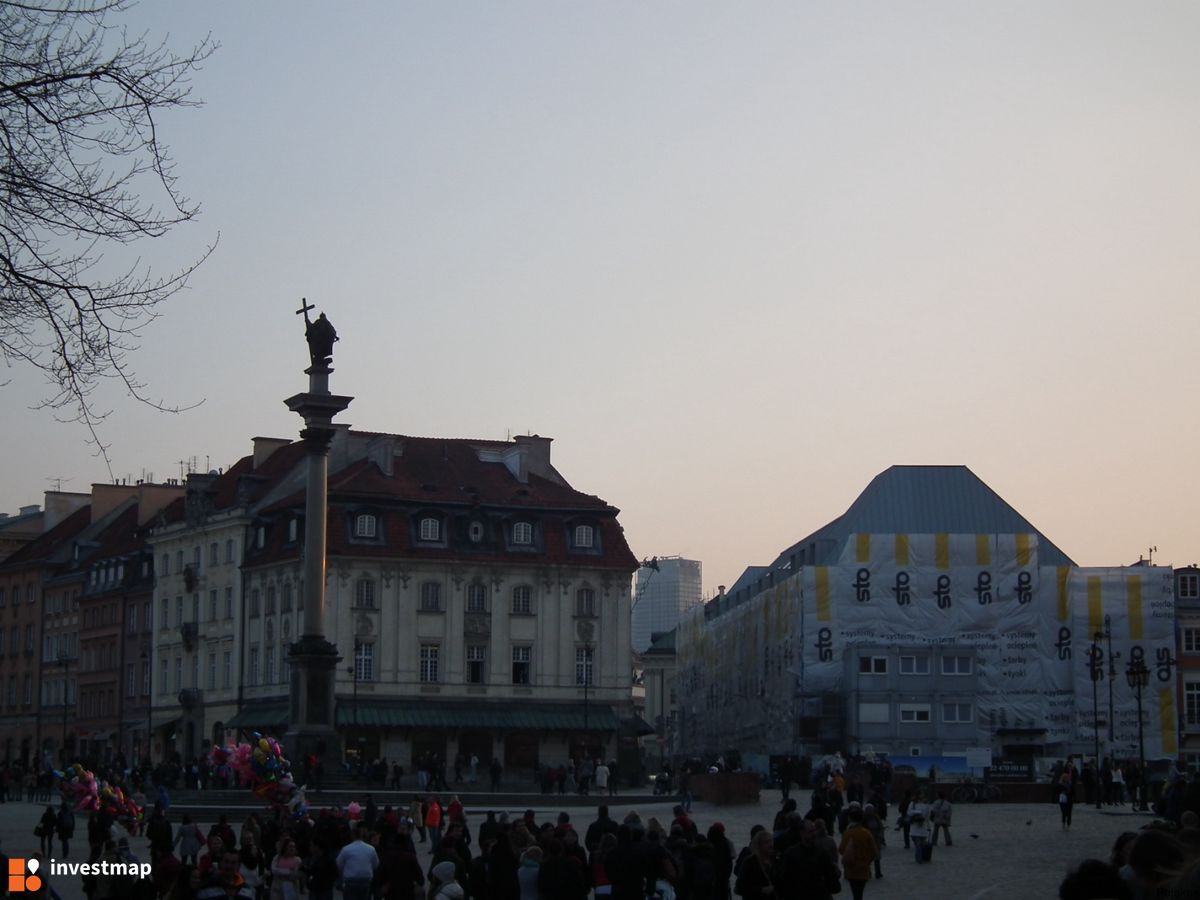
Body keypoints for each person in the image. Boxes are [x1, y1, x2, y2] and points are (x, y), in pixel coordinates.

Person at [838, 807, 878, 900]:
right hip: (863, 867)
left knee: (855, 892)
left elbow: (841, 849)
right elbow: (874, 851)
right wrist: (868, 860)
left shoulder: (848, 833)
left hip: (851, 868)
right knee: (859, 893)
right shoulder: (866, 833)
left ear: (850, 819)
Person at [335, 824, 379, 900]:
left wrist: (343, 873)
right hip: (365, 881)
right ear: (362, 836)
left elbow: (339, 864)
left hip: (350, 881)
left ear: (352, 836)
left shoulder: (346, 849)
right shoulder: (371, 849)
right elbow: (376, 864)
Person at [734, 830, 777, 899]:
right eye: (767, 842)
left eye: (771, 841)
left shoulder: (776, 860)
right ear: (759, 845)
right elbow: (739, 888)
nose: (771, 845)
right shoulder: (749, 862)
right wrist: (761, 890)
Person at [907, 794, 931, 864]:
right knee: (919, 845)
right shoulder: (915, 804)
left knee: (918, 845)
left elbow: (909, 813)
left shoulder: (913, 804)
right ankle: (919, 857)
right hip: (919, 829)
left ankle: (919, 858)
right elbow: (927, 817)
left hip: (918, 829)